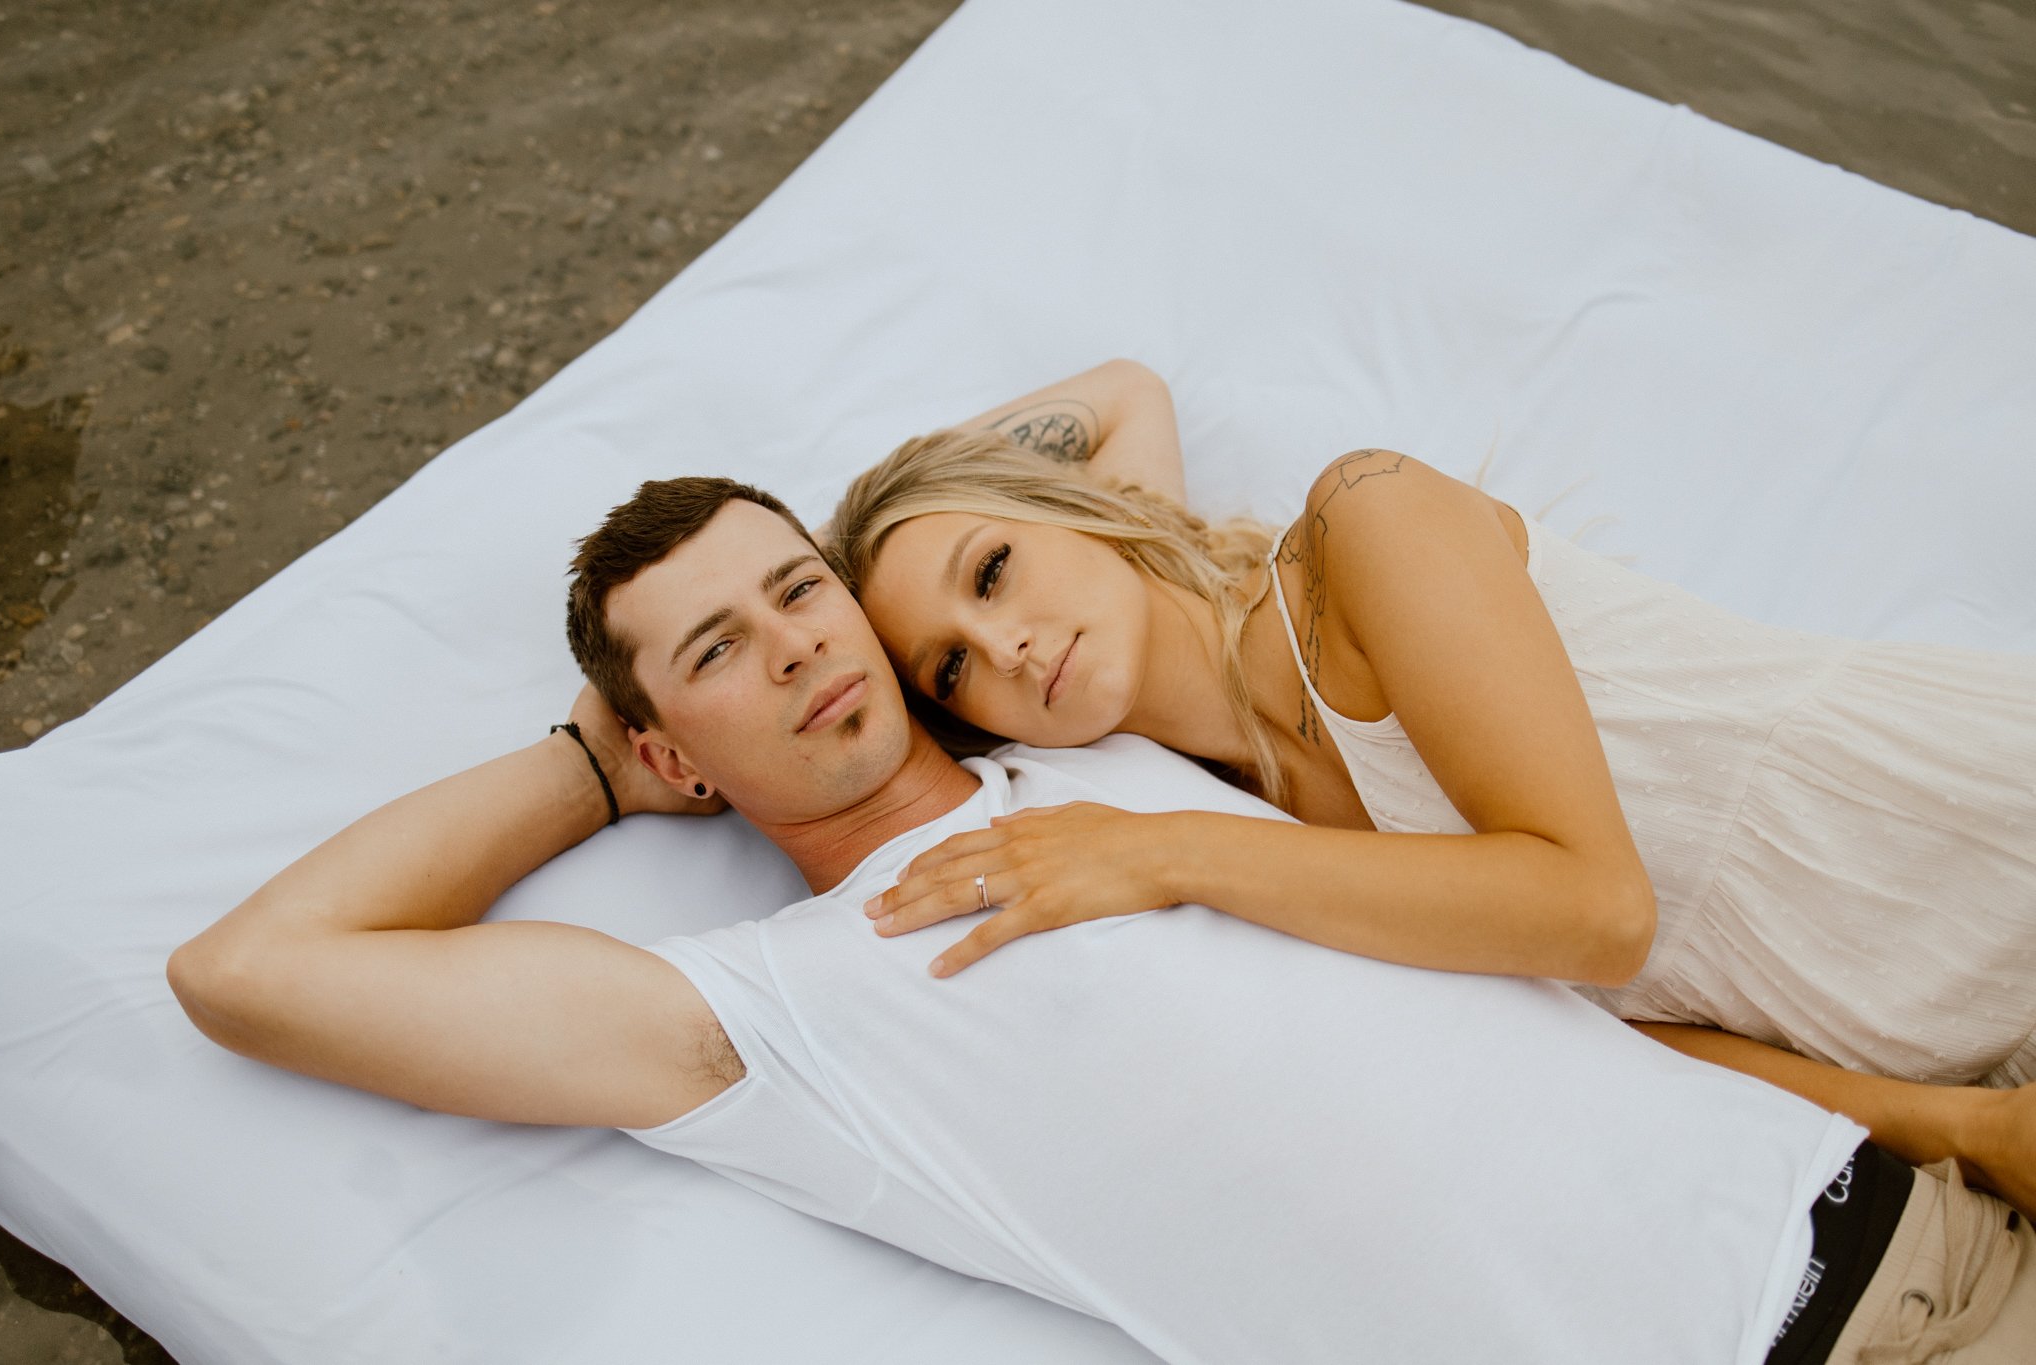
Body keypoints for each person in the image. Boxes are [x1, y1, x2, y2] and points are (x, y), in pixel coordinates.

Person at [168, 476, 2033, 1363]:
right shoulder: (767, 1016)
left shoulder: (1121, 732)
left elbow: (1099, 432)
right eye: (719, 650)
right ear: (678, 734)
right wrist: (592, 771)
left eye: (801, 589)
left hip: (1922, 1231)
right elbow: (248, 975)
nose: (802, 642)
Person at [821, 358, 2036, 1211]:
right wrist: (1967, 1136)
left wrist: (1167, 852)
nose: (1007, 647)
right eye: (950, 665)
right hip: (1952, 1057)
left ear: (1084, 508)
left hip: (1972, 839)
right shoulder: (1228, 810)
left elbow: (1596, 914)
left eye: (990, 571)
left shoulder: (1363, 527)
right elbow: (1619, 1025)